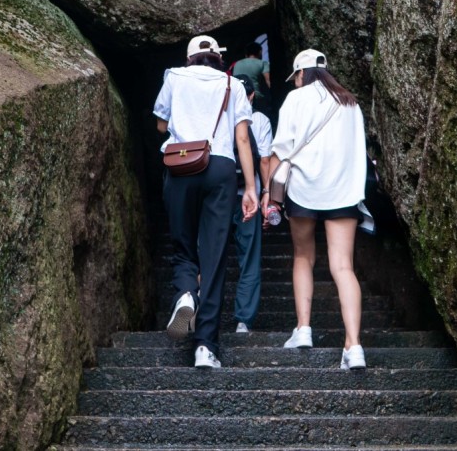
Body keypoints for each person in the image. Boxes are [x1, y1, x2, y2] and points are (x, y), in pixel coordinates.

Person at [154, 35, 259, 369]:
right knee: (214, 257)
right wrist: (252, 188)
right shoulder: (232, 84)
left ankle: (186, 293)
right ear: (217, 57)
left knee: (184, 247)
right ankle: (206, 348)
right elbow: (243, 137)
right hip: (221, 167)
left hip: (181, 164)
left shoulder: (173, 76)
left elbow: (160, 124)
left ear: (189, 59)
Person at [268, 48, 370, 370]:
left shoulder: (295, 100)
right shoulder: (350, 103)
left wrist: (272, 196)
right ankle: (354, 346)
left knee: (303, 257)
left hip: (304, 190)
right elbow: (360, 151)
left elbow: (280, 150)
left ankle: (303, 329)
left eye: (296, 77)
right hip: (342, 190)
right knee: (343, 267)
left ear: (301, 73)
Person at [230, 75, 274, 335]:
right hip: (251, 197)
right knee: (249, 258)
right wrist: (266, 192)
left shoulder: (222, 116)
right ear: (252, 96)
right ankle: (243, 320)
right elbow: (265, 160)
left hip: (219, 196)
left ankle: (196, 304)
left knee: (208, 254)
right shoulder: (259, 120)